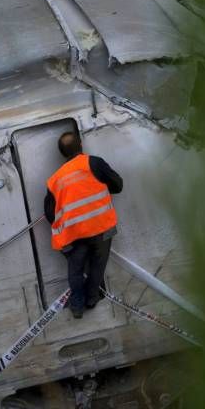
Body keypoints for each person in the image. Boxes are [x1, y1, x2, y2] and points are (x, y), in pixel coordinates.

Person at [44, 131, 123, 319]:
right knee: (98, 265)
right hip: (100, 227)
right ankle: (92, 298)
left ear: (62, 153)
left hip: (74, 233)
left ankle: (77, 306)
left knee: (76, 270)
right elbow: (118, 185)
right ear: (80, 144)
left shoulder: (54, 180)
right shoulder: (94, 163)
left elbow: (49, 213)